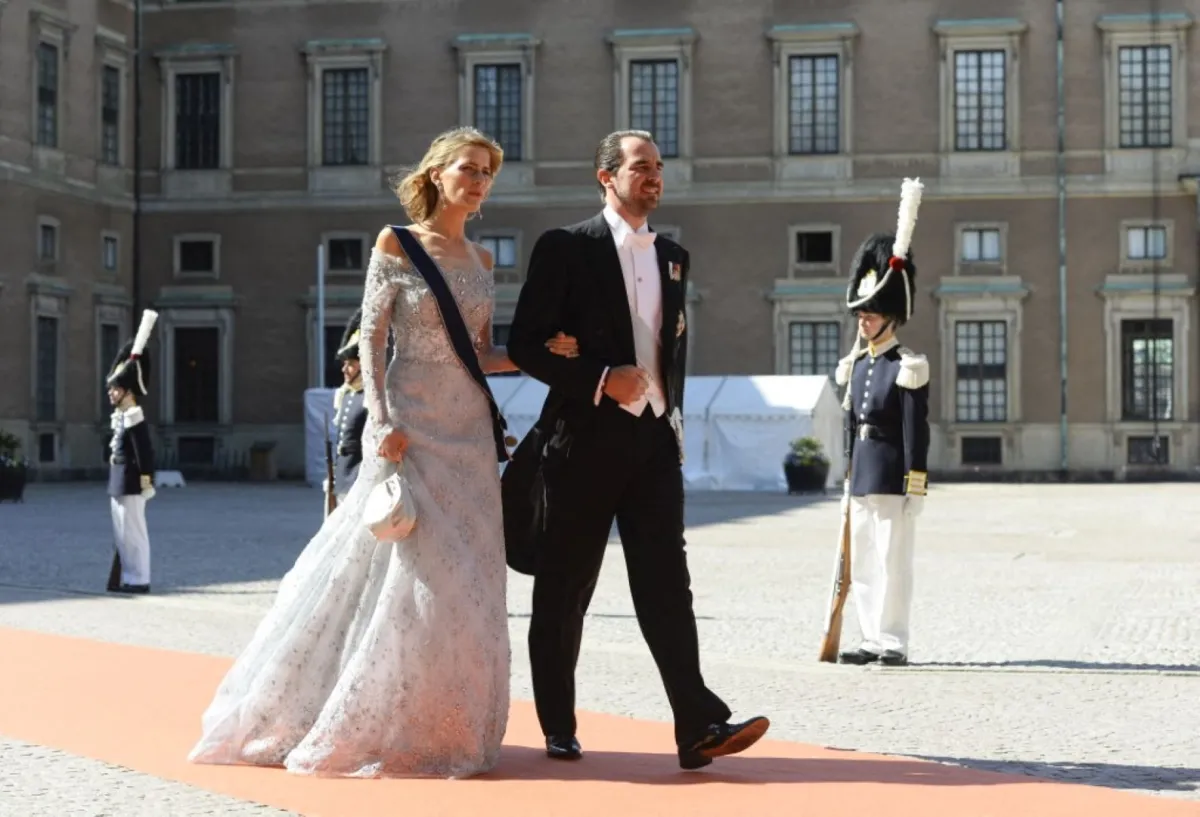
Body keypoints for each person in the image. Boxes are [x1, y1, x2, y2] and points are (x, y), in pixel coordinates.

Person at [187, 126, 579, 778]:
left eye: (487, 171)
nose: (479, 180)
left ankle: (448, 724)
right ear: (436, 174)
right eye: (468, 168)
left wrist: (545, 358)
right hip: (412, 431)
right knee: (402, 577)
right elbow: (372, 339)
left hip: (469, 440)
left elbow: (480, 354)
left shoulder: (483, 262)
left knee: (466, 585)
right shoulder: (396, 243)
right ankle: (352, 712)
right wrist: (382, 421)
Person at [505, 129, 769, 771]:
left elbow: (667, 349)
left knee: (666, 584)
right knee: (566, 587)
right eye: (640, 167)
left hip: (651, 442)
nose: (653, 176)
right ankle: (558, 723)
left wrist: (667, 416)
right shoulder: (566, 247)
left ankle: (698, 724)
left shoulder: (674, 255)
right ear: (606, 176)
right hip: (583, 440)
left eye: (658, 167)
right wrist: (599, 378)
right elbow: (525, 345)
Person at [833, 178, 931, 668]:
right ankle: (870, 636)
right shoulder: (861, 365)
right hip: (865, 472)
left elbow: (916, 428)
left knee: (894, 560)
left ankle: (894, 639)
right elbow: (851, 423)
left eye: (871, 315)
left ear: (891, 317)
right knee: (866, 560)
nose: (864, 321)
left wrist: (916, 480)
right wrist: (847, 469)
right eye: (862, 314)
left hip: (893, 471)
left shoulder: (907, 366)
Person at [104, 309, 159, 595]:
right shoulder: (122, 416)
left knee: (134, 531)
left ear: (128, 391)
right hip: (118, 477)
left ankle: (139, 578)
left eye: (116, 389)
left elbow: (144, 453)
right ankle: (128, 575)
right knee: (122, 532)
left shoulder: (134, 414)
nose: (111, 393)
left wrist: (147, 480)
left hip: (132, 480)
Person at [326, 309, 368, 510]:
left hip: (360, 476)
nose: (344, 369)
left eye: (350, 364)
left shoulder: (371, 398)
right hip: (342, 473)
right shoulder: (346, 395)